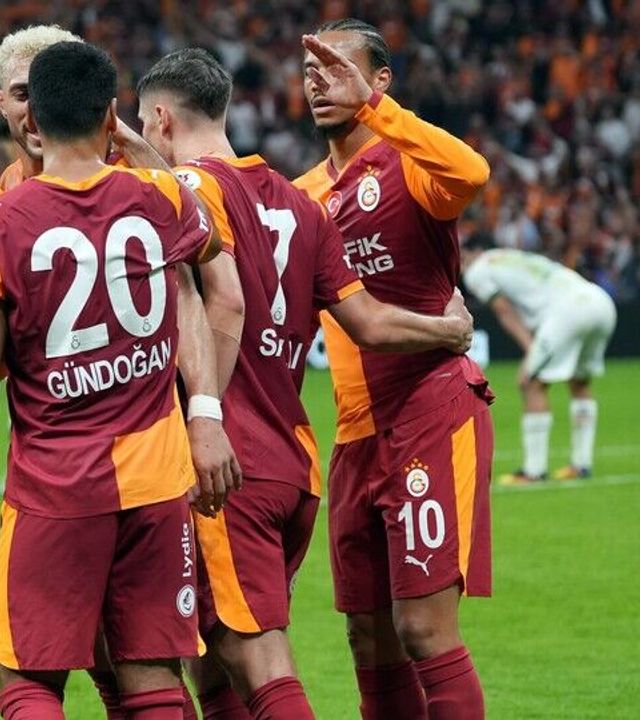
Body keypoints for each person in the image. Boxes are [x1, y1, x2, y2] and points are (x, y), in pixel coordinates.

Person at [136, 48, 476, 720]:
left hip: (225, 459)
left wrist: (205, 414)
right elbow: (368, 321)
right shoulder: (303, 203)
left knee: (254, 656)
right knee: (215, 658)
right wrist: (448, 330)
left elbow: (221, 300)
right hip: (295, 462)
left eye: (146, 125)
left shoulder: (186, 192)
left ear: (163, 120)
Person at [0, 41, 234, 720]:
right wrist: (137, 145)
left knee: (28, 678)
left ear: (32, 119)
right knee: (152, 675)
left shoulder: (0, 221)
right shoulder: (160, 196)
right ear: (110, 116)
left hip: (55, 482)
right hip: (155, 477)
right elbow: (209, 246)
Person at [293, 19, 493, 719]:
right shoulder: (304, 194)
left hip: (429, 411)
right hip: (353, 434)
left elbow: (473, 173)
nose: (320, 83)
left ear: (380, 81)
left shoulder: (409, 166)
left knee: (423, 629)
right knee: (368, 637)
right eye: (311, 71)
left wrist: (379, 112)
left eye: (338, 69)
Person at [461, 240, 617, 483]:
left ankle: (534, 471)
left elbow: (504, 311)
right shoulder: (507, 255)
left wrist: (530, 349)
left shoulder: (476, 270)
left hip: (569, 310)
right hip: (600, 301)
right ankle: (581, 465)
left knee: (530, 382)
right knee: (580, 382)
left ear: (471, 253)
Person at [0, 25, 84, 191]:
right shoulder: (8, 181)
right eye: (23, 95)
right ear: (2, 103)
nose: (37, 110)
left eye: (53, 93)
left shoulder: (119, 176)